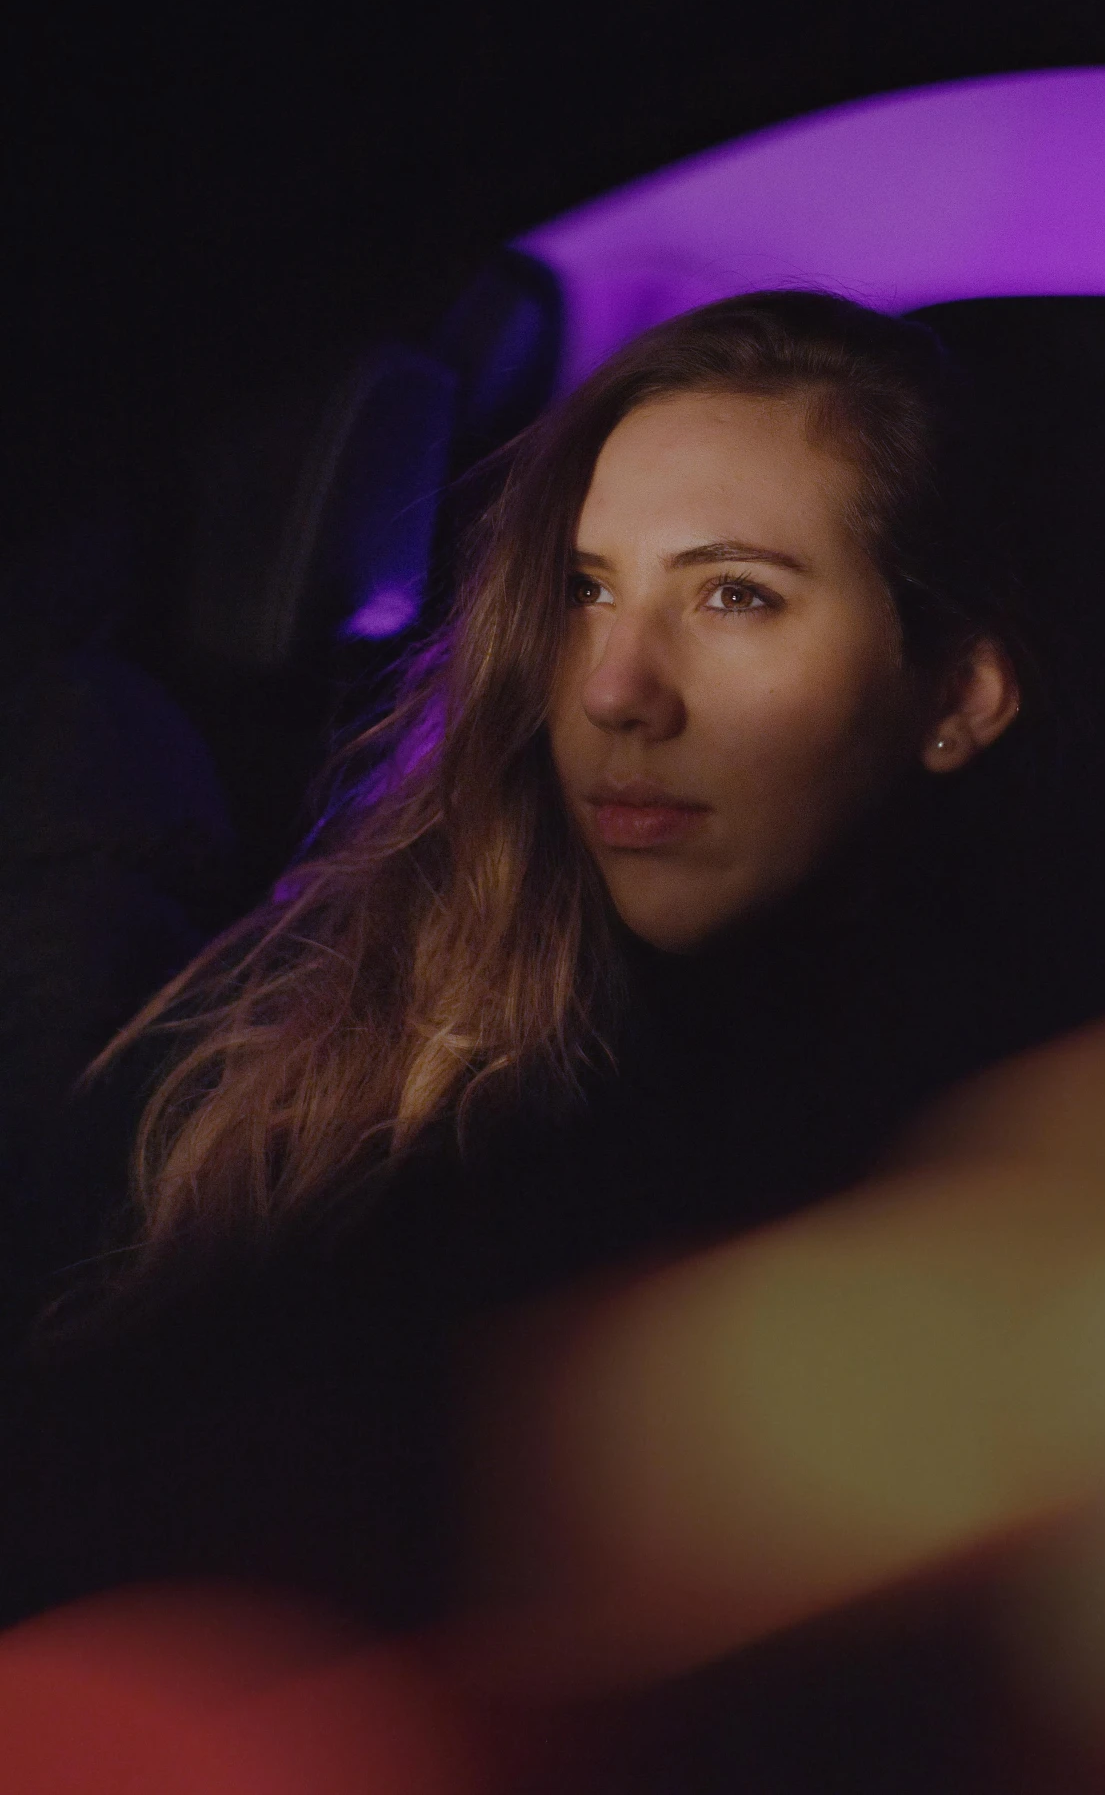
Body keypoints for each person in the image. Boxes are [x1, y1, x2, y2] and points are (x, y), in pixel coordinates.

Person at [0, 289, 1048, 1636]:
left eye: (734, 594)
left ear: (958, 690)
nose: (616, 686)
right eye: (581, 588)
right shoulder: (357, 984)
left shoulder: (989, 1162)